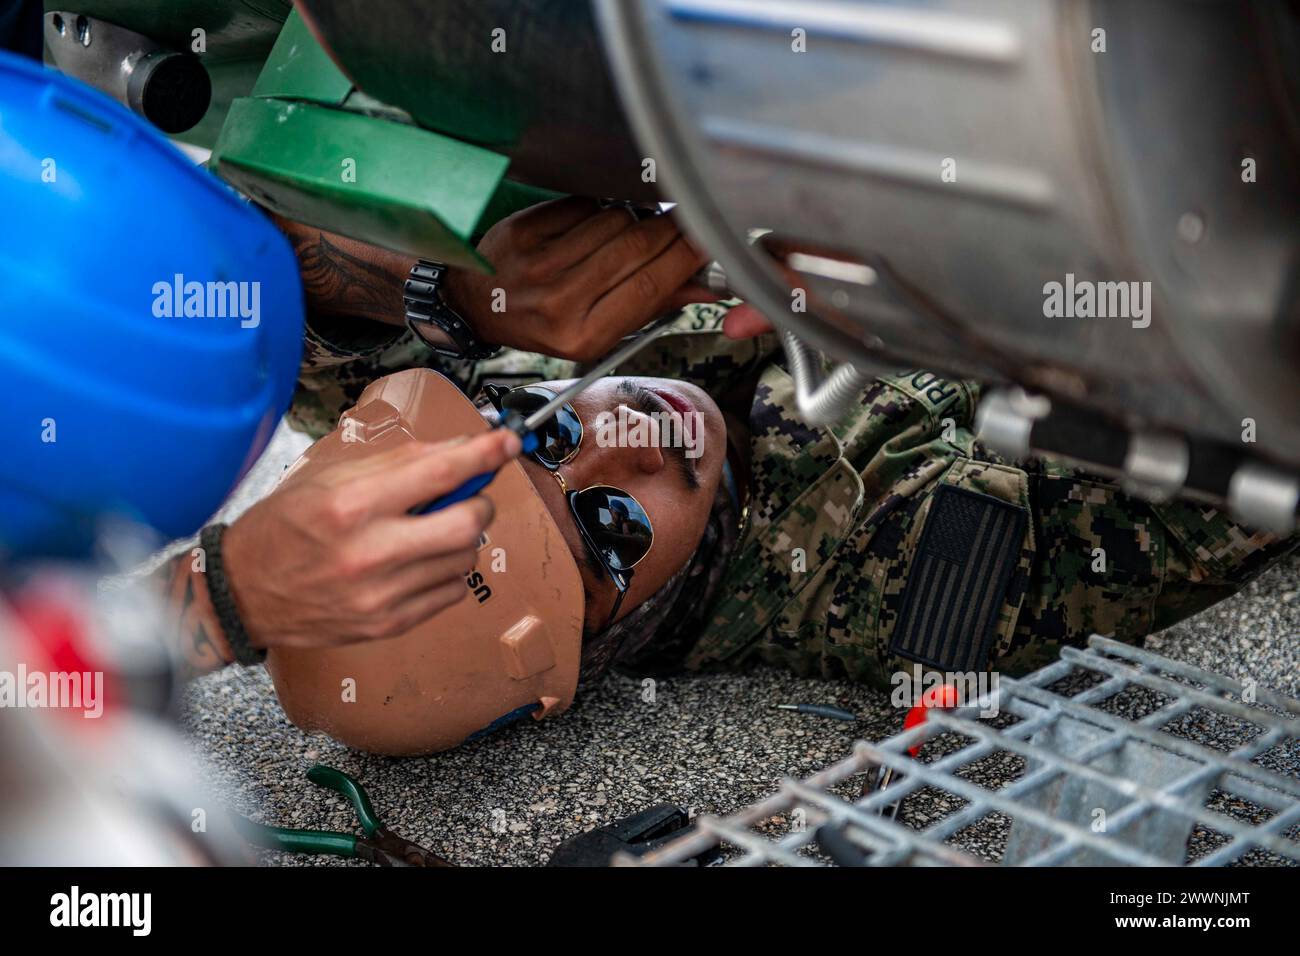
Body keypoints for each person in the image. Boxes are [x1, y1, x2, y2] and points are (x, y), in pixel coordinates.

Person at [191, 198, 1298, 700]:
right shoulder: (918, 577)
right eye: (607, 529)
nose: (617, 441)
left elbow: (249, 263)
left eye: (550, 434)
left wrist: (458, 298)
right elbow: (1243, 445)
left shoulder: (485, 416)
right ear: (623, 638)